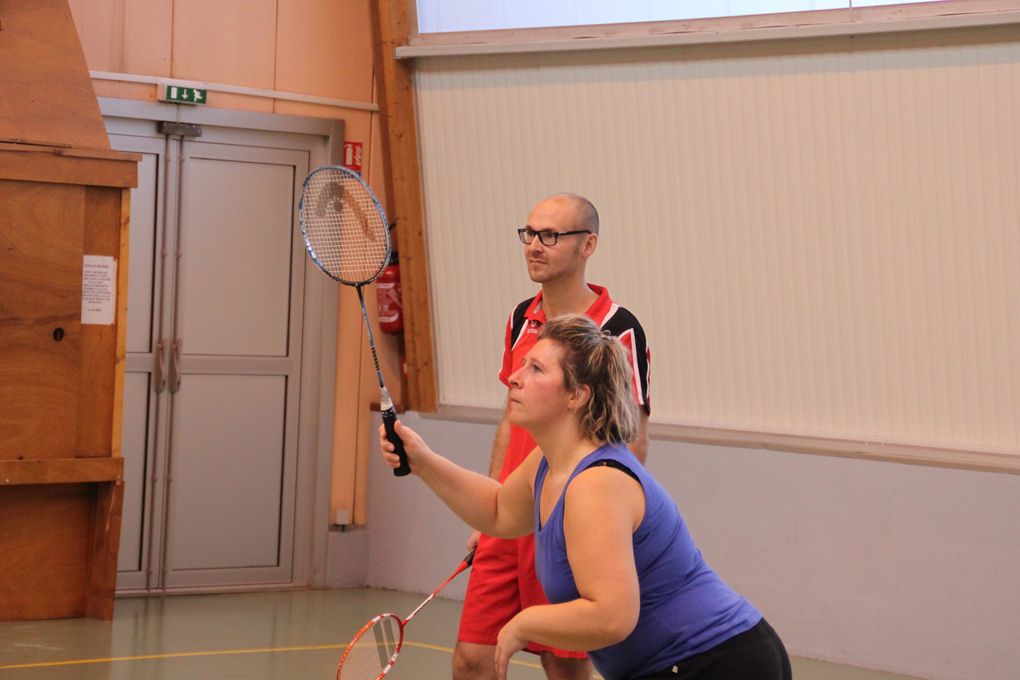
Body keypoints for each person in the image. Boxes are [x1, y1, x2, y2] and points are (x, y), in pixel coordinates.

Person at [378, 315, 791, 680]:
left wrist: (524, 623)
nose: (514, 378)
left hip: (715, 661)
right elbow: (500, 510)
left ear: (577, 395)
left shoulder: (596, 483)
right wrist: (422, 461)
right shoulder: (549, 461)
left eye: (536, 369)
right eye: (522, 364)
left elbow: (612, 615)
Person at [460, 193, 651, 680]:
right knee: (472, 659)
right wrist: (491, 510)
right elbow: (510, 419)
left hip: (568, 522)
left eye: (551, 236)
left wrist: (605, 525)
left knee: (562, 665)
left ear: (588, 245)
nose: (534, 246)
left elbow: (634, 440)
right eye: (529, 234)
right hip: (515, 514)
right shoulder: (519, 318)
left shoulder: (619, 330)